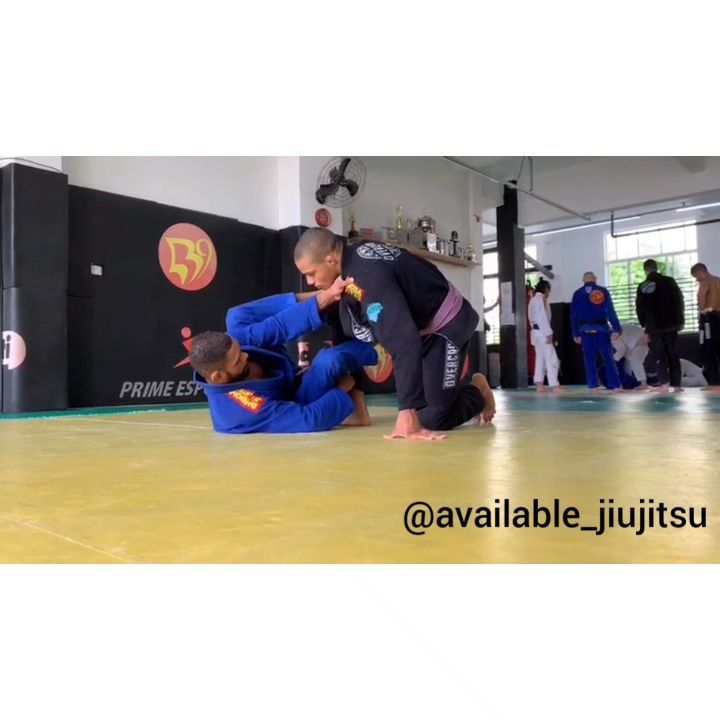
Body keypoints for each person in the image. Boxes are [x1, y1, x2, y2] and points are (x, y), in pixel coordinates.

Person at [293, 228, 496, 441]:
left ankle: (478, 391)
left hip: (447, 325)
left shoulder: (368, 276)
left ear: (330, 260)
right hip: (420, 329)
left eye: (311, 273)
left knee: (433, 417)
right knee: (340, 315)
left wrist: (407, 415)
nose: (309, 281)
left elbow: (404, 340)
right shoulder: (349, 272)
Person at [191, 277, 378, 434]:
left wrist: (328, 295)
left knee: (237, 316)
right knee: (329, 361)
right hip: (297, 399)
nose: (245, 355)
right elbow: (308, 419)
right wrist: (343, 388)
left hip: (292, 374)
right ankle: (379, 347)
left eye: (241, 351)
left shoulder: (234, 344)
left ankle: (329, 298)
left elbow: (277, 327)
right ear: (218, 376)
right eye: (238, 360)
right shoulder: (238, 410)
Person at [636, 258, 684, 393]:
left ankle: (664, 383)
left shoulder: (644, 285)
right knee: (673, 353)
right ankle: (677, 385)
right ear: (657, 268)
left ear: (645, 270)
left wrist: (644, 324)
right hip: (671, 324)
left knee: (658, 354)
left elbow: (641, 307)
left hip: (654, 326)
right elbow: (679, 300)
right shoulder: (670, 281)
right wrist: (680, 321)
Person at [571, 271, 622, 391]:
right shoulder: (603, 291)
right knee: (608, 357)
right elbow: (610, 310)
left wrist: (575, 333)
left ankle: (593, 385)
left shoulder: (577, 293)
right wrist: (616, 328)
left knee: (589, 358)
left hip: (585, 330)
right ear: (595, 278)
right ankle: (615, 385)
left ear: (583, 280)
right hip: (601, 329)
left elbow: (574, 315)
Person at [527, 279, 561, 392]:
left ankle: (539, 384)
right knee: (552, 358)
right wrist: (548, 333)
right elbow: (542, 318)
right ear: (546, 289)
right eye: (549, 290)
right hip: (542, 332)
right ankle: (554, 385)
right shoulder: (540, 299)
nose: (549, 293)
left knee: (540, 358)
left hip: (535, 332)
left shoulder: (533, 300)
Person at [690, 262, 720, 390]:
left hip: (709, 318)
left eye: (696, 276)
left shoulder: (705, 282)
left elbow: (704, 303)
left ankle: (714, 383)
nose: (697, 279)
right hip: (717, 319)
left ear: (701, 272)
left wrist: (702, 309)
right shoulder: (718, 280)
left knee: (708, 351)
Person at [612, 323, 649, 389]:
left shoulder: (611, 336)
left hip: (641, 342)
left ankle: (643, 384)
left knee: (635, 362)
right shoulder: (613, 332)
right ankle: (628, 381)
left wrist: (614, 359)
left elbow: (621, 350)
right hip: (634, 344)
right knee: (628, 363)